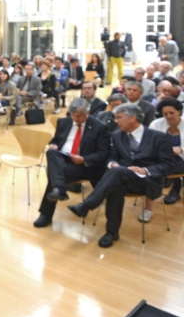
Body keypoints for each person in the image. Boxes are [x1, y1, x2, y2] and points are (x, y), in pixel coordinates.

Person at [67, 103, 176, 247]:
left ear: (133, 118)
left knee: (117, 176)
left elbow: (168, 165)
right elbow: (111, 158)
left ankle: (86, 206)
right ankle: (111, 233)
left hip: (147, 181)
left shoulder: (159, 137)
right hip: (122, 177)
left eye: (119, 117)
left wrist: (146, 170)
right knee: (116, 184)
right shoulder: (117, 135)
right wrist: (113, 164)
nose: (116, 121)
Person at [33, 98, 110, 228]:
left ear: (88, 112)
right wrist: (54, 145)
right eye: (72, 115)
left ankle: (47, 212)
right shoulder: (64, 122)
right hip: (63, 159)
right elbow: (56, 140)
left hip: (84, 166)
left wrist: (84, 159)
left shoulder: (100, 127)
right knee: (51, 153)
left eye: (78, 116)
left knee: (54, 176)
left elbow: (103, 153)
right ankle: (59, 189)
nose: (75, 119)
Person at [151, 99, 184, 205]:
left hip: (181, 158)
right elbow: (149, 143)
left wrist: (181, 149)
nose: (168, 116)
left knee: (172, 162)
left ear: (179, 111)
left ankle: (174, 189)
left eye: (171, 113)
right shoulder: (156, 124)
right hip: (160, 158)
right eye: (165, 114)